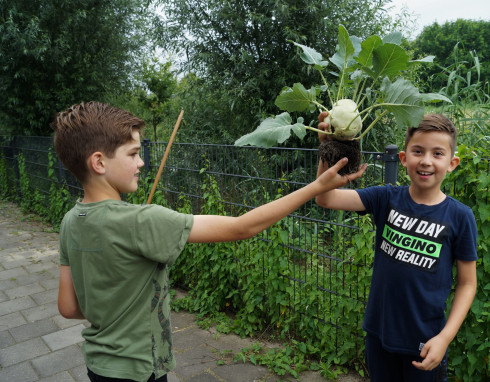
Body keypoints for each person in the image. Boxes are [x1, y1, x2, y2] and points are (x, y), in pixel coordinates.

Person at [54, 101, 366, 382]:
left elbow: (68, 307)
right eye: (133, 154)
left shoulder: (70, 221)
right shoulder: (140, 220)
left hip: (99, 366)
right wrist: (315, 187)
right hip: (139, 370)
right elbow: (242, 228)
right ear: (99, 162)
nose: (141, 163)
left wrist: (111, 306)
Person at [315, 112, 477, 381]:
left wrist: (444, 338)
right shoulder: (385, 198)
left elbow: (467, 284)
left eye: (438, 153)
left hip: (426, 343)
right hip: (379, 335)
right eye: (417, 151)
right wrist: (328, 151)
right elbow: (325, 197)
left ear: (452, 163)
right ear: (404, 158)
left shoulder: (460, 216)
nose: (426, 161)